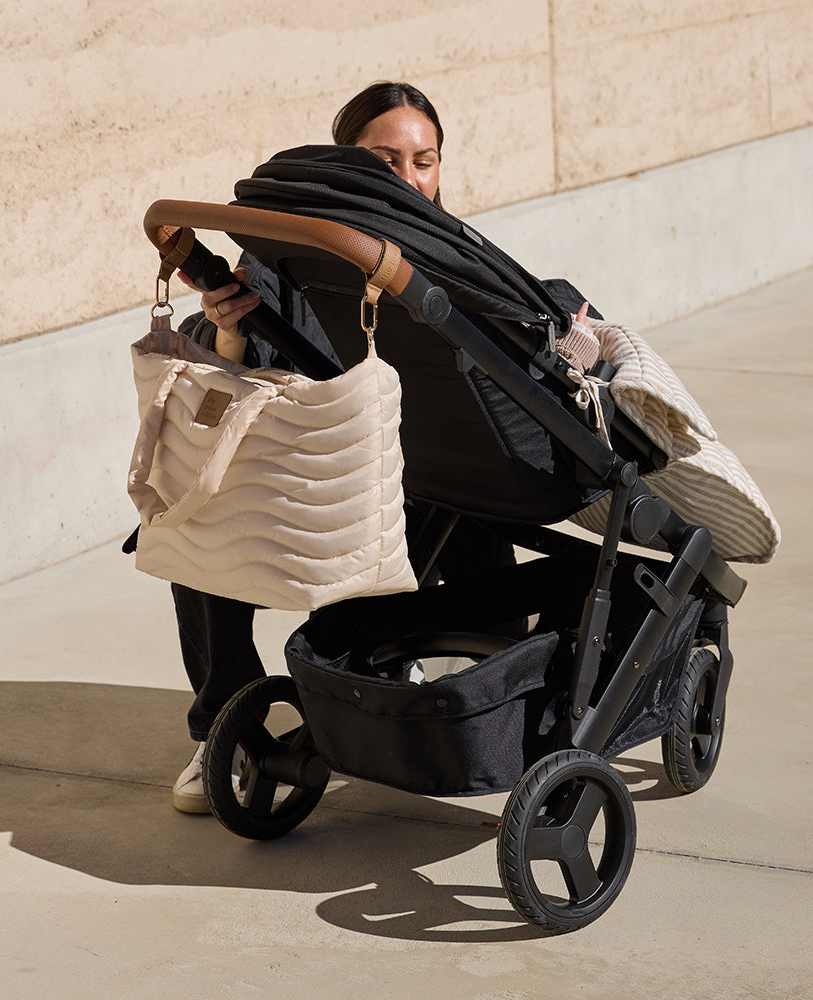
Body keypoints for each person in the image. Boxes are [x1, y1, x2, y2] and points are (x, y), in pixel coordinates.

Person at [168, 81, 592, 813]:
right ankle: (225, 725)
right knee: (195, 516)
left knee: (472, 488)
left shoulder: (457, 262)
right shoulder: (298, 256)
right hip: (327, 478)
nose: (408, 178)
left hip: (438, 481)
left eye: (423, 160)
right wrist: (230, 327)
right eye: (383, 159)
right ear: (344, 165)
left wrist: (576, 338)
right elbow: (222, 363)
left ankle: (479, 698)